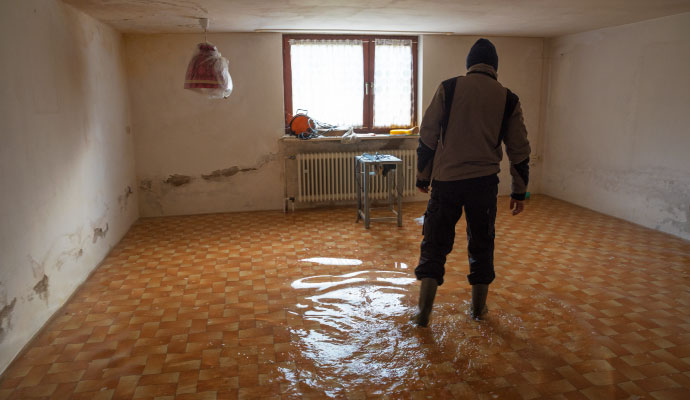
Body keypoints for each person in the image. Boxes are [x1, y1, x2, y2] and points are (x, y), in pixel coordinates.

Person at [411, 38, 531, 327]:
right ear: (495, 68)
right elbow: (519, 149)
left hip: (447, 181)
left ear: (468, 65)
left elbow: (427, 135)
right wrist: (519, 191)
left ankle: (423, 314)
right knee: (481, 243)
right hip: (484, 184)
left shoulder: (449, 87)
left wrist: (423, 176)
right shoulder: (508, 98)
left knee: (434, 244)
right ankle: (478, 311)